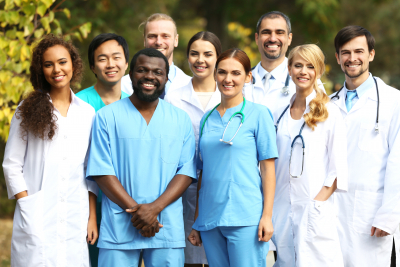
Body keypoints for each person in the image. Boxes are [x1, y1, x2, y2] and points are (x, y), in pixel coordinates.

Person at [86, 48, 197, 267]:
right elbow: (101, 171)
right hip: (119, 227)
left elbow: (186, 172)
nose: (150, 76)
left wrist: (154, 209)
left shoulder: (181, 119)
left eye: (157, 72)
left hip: (164, 226)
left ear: (166, 78)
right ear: (130, 75)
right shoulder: (106, 117)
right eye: (142, 70)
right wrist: (139, 213)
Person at [2, 34, 98, 267]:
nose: (57, 69)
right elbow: (11, 164)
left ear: (73, 65)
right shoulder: (27, 109)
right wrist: (26, 205)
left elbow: (89, 168)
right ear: (41, 70)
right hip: (37, 213)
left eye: (62, 62)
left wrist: (92, 216)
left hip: (76, 213)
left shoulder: (87, 113)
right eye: (48, 64)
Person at [188, 48, 278, 267]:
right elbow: (203, 173)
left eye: (236, 73)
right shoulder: (207, 118)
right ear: (215, 75)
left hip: (245, 216)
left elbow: (268, 170)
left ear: (248, 76)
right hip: (210, 218)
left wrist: (267, 216)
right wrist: (198, 220)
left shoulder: (259, 114)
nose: (228, 79)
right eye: (222, 72)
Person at [272, 44, 348, 266]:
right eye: (298, 65)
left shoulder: (330, 112)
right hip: (282, 209)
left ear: (319, 71)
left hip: (314, 210)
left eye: (310, 66)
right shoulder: (280, 113)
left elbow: (338, 169)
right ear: (289, 69)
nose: (303, 72)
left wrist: (316, 206)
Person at [331, 25, 400, 267]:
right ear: (338, 58)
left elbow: (398, 162)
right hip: (332, 215)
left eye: (359, 51)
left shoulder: (394, 101)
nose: (352, 58)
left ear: (371, 54)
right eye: (345, 52)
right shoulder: (328, 105)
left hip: (372, 216)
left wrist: (389, 215)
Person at [165, 31, 222, 267]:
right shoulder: (173, 97)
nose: (201, 60)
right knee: (188, 256)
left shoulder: (232, 94)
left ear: (218, 57)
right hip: (183, 187)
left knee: (219, 256)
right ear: (187, 57)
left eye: (208, 54)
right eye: (194, 54)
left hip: (221, 186)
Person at [76, 33, 130, 267]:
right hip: (85, 202)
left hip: (124, 202)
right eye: (102, 59)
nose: (111, 64)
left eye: (116, 57)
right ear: (92, 66)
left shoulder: (136, 104)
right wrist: (91, 215)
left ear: (126, 63)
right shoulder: (78, 104)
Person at [243, 11, 325, 114]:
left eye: (279, 32)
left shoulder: (309, 79)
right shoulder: (241, 80)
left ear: (289, 38)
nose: (272, 38)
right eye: (266, 32)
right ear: (256, 38)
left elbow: (320, 120)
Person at [120, 13, 191, 98]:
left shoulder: (189, 85)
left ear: (176, 40)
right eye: (152, 36)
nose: (158, 42)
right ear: (144, 40)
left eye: (165, 36)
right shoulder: (123, 85)